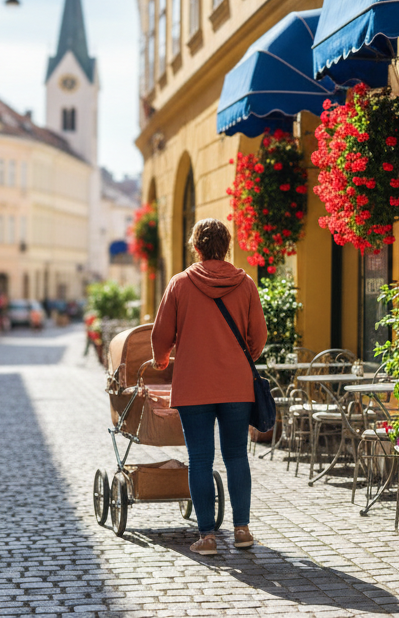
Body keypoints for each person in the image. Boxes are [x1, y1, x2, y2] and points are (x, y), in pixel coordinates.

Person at [151, 218, 267, 555]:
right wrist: (243, 356)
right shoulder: (245, 283)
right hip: (236, 385)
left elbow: (161, 335)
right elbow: (257, 336)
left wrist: (161, 359)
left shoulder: (180, 283)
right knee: (236, 457)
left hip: (194, 386)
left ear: (196, 247)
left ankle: (208, 537)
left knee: (200, 460)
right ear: (227, 246)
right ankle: (242, 530)